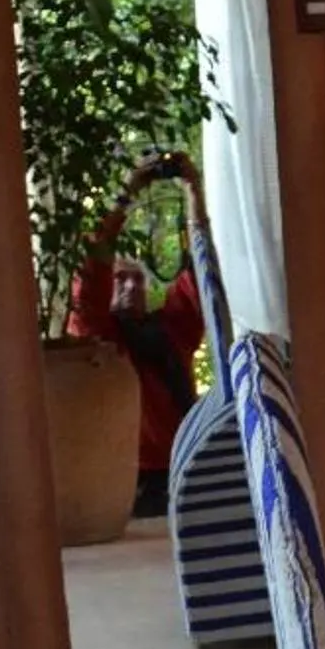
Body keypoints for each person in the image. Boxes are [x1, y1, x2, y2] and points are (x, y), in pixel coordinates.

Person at [67, 161, 206, 519]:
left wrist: (195, 193)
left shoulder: (170, 331)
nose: (130, 287)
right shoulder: (96, 336)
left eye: (137, 281)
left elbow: (202, 279)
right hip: (124, 486)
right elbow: (92, 266)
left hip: (181, 476)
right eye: (121, 280)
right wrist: (126, 194)